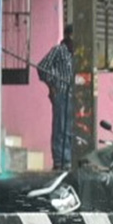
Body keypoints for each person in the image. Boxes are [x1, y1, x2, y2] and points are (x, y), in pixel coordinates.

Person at [37, 24, 74, 171]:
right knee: (60, 127)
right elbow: (42, 66)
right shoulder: (59, 50)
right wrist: (52, 86)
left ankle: (69, 159)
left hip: (73, 95)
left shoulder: (75, 53)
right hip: (61, 92)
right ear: (69, 35)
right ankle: (60, 160)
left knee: (70, 129)